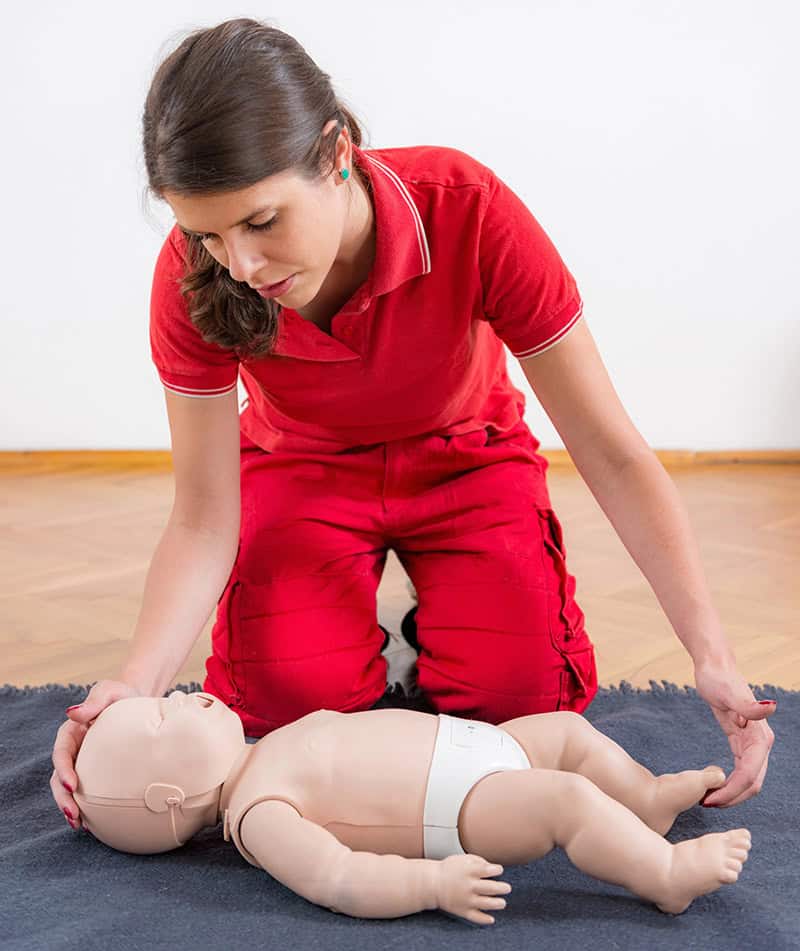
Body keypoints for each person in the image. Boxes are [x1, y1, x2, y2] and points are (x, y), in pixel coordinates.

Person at [50, 17, 775, 832]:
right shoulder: (194, 279)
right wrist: (135, 692)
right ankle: (363, 627)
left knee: (522, 707)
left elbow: (610, 452)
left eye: (260, 221)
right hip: (302, 472)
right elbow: (202, 514)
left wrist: (711, 654)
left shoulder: (469, 208)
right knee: (284, 710)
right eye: (208, 234)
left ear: (336, 152)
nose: (241, 267)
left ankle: (442, 619)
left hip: (470, 460)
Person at [71, 690, 751, 925]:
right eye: (166, 716)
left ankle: (642, 802)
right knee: (566, 797)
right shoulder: (257, 812)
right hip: (462, 805)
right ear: (168, 796)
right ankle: (662, 874)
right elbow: (335, 876)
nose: (185, 696)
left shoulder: (261, 748)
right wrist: (429, 884)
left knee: (570, 733)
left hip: (479, 743)